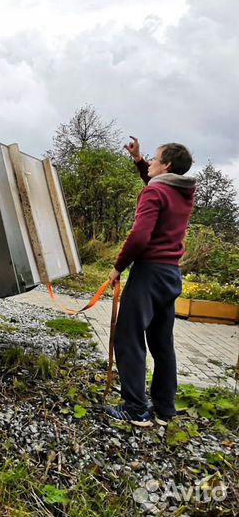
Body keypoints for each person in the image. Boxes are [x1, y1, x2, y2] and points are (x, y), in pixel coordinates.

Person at [105, 136, 196, 427]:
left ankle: (135, 408)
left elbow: (140, 236)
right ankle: (164, 407)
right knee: (161, 341)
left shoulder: (154, 194)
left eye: (155, 159)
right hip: (171, 273)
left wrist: (118, 266)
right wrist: (138, 160)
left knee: (128, 336)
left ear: (166, 165)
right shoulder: (182, 192)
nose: (151, 162)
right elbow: (155, 182)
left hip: (150, 272)